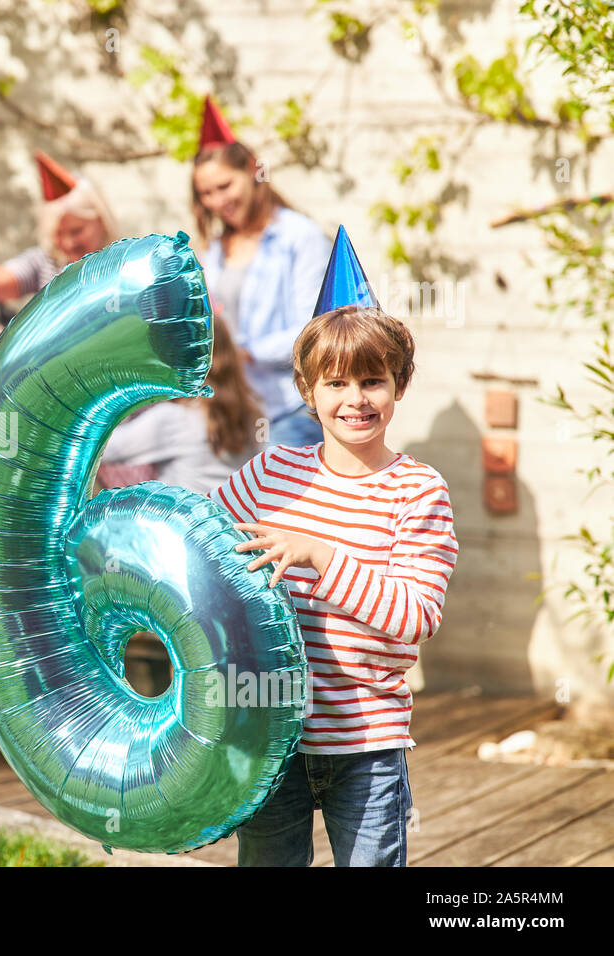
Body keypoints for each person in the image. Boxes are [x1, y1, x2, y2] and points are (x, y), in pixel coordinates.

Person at [207, 230, 459, 866]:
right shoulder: (270, 475)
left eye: (373, 381)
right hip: (273, 737)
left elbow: (416, 616)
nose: (355, 400)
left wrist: (320, 553)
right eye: (337, 384)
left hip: (367, 745)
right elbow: (202, 551)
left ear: (399, 386)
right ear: (307, 390)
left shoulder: (417, 490)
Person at [191, 95, 331, 449]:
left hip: (289, 411)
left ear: (254, 172)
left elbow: (315, 331)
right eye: (206, 193)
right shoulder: (214, 251)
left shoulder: (300, 237)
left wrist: (245, 351)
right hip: (233, 414)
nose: (217, 201)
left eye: (225, 186)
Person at [0, 151, 119, 353]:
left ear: (100, 221)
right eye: (58, 234)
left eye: (77, 231)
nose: (67, 243)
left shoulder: (122, 265)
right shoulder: (46, 263)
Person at [101, 317, 261, 493]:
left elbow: (105, 449)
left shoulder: (173, 418)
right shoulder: (251, 412)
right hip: (235, 516)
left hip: (187, 517)